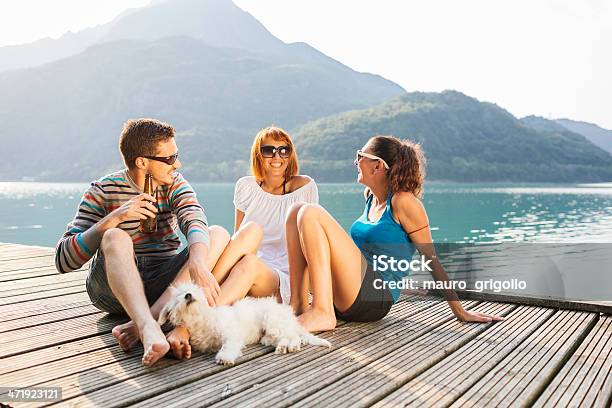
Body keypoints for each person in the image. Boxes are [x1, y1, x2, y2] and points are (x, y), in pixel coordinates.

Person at [55, 118, 234, 366]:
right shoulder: (102, 190)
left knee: (217, 234)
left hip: (162, 284)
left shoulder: (175, 184)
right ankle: (149, 326)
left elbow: (194, 219)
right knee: (115, 236)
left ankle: (146, 324)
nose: (177, 164)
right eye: (170, 159)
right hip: (111, 290)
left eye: (176, 156)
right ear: (142, 162)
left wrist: (197, 261)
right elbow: (63, 261)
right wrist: (115, 217)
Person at [285, 135, 504, 332]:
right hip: (348, 293)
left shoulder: (404, 202)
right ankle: (299, 305)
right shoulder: (370, 197)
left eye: (360, 155)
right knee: (296, 209)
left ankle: (322, 313)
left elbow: (432, 260)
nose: (355, 161)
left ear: (377, 166)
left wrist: (461, 311)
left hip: (374, 299)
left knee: (310, 212)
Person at [211, 126, 318, 305]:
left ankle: (189, 323)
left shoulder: (304, 188)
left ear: (290, 155)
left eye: (284, 151)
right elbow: (238, 238)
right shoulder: (245, 186)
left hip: (279, 275)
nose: (277, 157)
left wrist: (308, 293)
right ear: (258, 155)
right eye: (269, 150)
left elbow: (310, 245)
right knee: (249, 232)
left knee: (250, 264)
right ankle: (204, 292)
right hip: (242, 266)